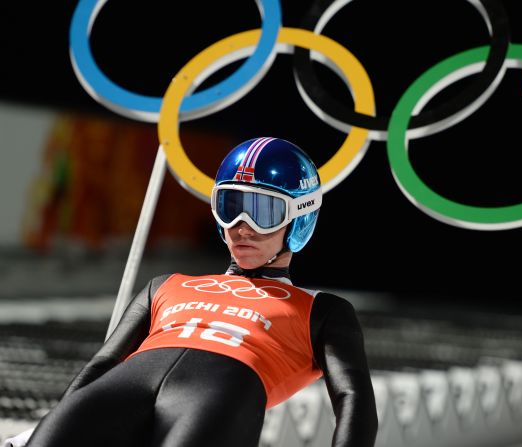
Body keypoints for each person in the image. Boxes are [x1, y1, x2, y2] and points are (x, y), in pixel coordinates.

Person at [7, 137, 378, 447]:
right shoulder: (165, 285)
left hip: (218, 394)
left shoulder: (323, 310)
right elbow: (102, 365)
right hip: (129, 384)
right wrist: (52, 422)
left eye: (263, 212)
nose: (242, 228)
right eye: (230, 207)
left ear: (300, 217)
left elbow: (353, 398)